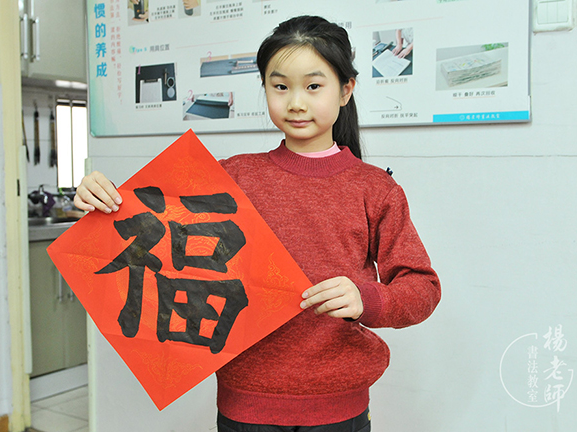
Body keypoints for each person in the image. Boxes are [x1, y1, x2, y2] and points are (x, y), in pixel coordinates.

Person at [75, 15, 440, 432]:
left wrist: (367, 299)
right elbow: (147, 230)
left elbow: (422, 288)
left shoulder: (375, 188)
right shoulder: (232, 176)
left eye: (313, 86)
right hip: (244, 406)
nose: (296, 102)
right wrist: (99, 200)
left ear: (346, 90)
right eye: (280, 87)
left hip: (339, 408)